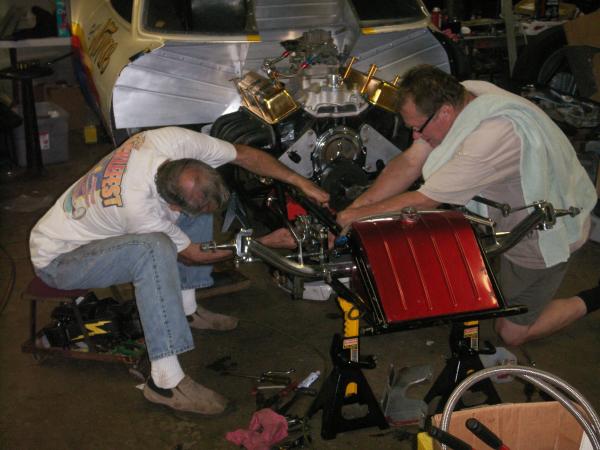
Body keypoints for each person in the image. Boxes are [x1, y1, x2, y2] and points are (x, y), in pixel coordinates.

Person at [29, 126, 329, 415]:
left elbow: (243, 154)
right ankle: (165, 382)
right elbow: (194, 256)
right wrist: (266, 243)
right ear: (171, 204)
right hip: (62, 260)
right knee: (154, 250)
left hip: (97, 232)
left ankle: (187, 309)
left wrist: (298, 181)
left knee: (189, 216)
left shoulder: (169, 141)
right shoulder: (137, 206)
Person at [336, 64, 598, 347]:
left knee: (511, 333)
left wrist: (355, 217)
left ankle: (595, 297)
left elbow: (424, 200)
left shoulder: (490, 139)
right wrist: (356, 209)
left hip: (544, 235)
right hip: (510, 211)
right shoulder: (468, 93)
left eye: (417, 128)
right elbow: (411, 163)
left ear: (445, 112)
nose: (415, 136)